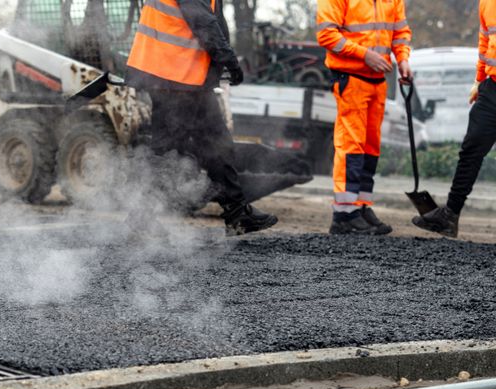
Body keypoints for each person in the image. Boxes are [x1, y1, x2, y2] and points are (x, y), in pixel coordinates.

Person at [125, 0, 278, 236]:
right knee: (167, 152)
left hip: (182, 79)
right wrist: (229, 61)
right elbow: (203, 23)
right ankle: (141, 218)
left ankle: (237, 214)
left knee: (217, 143)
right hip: (174, 78)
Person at [316, 0, 412, 235]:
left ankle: (361, 206)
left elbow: (400, 33)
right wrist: (364, 54)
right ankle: (344, 214)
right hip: (351, 78)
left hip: (378, 81)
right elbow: (327, 35)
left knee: (370, 148)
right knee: (352, 146)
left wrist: (403, 60)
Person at [413, 0, 495, 238]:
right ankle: (450, 216)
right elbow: (484, 43)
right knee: (471, 149)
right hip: (492, 89)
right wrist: (479, 80)